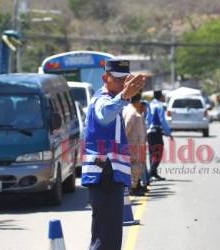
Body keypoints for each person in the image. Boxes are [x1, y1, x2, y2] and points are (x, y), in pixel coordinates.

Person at [81, 59, 144, 250]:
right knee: (103, 236)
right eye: (117, 79)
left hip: (112, 176)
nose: (122, 83)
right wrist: (124, 96)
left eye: (125, 79)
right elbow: (104, 115)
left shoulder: (117, 103)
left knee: (112, 235)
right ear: (105, 77)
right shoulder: (102, 99)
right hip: (103, 175)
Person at [122, 92, 147, 196]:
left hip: (134, 144)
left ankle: (133, 186)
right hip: (133, 145)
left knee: (134, 167)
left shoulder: (128, 109)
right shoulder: (132, 112)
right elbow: (126, 128)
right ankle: (132, 188)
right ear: (139, 101)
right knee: (135, 167)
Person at [147, 90, 173, 181]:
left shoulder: (150, 105)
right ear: (161, 96)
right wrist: (168, 132)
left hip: (149, 132)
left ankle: (154, 174)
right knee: (158, 153)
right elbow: (162, 120)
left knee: (152, 153)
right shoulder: (160, 106)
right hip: (156, 131)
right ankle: (150, 174)